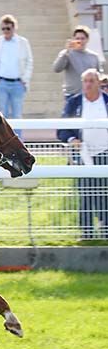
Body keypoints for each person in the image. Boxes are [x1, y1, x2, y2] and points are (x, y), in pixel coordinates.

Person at [57, 69, 108, 239]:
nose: (88, 84)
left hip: (105, 153)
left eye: (91, 81)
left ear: (99, 83)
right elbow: (61, 130)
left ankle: (105, 229)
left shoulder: (106, 101)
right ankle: (87, 233)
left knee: (104, 193)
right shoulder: (74, 102)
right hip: (83, 154)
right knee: (85, 192)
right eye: (85, 81)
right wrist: (72, 139)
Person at [0, 14, 33, 138]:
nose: (5, 31)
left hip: (18, 83)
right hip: (2, 83)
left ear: (14, 28)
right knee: (2, 115)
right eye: (3, 29)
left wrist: (25, 79)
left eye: (8, 28)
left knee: (17, 115)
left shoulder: (22, 42)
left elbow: (29, 61)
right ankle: (4, 144)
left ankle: (19, 144)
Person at [53, 25, 103, 100]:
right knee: (70, 112)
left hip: (90, 95)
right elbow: (56, 69)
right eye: (77, 38)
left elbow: (99, 76)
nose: (80, 41)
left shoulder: (94, 56)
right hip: (72, 94)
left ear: (87, 40)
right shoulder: (67, 54)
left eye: (82, 38)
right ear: (73, 39)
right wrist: (66, 52)